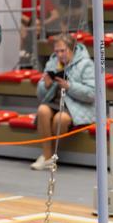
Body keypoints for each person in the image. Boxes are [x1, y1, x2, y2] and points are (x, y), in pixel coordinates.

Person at [31, 33, 95, 170]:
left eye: (63, 51)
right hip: (54, 101)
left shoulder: (86, 64)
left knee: (60, 119)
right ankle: (47, 157)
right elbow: (41, 96)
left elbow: (91, 94)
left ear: (72, 49)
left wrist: (69, 86)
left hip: (76, 105)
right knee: (42, 110)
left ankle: (50, 155)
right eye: (57, 51)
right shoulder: (52, 62)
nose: (59, 55)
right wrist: (45, 86)